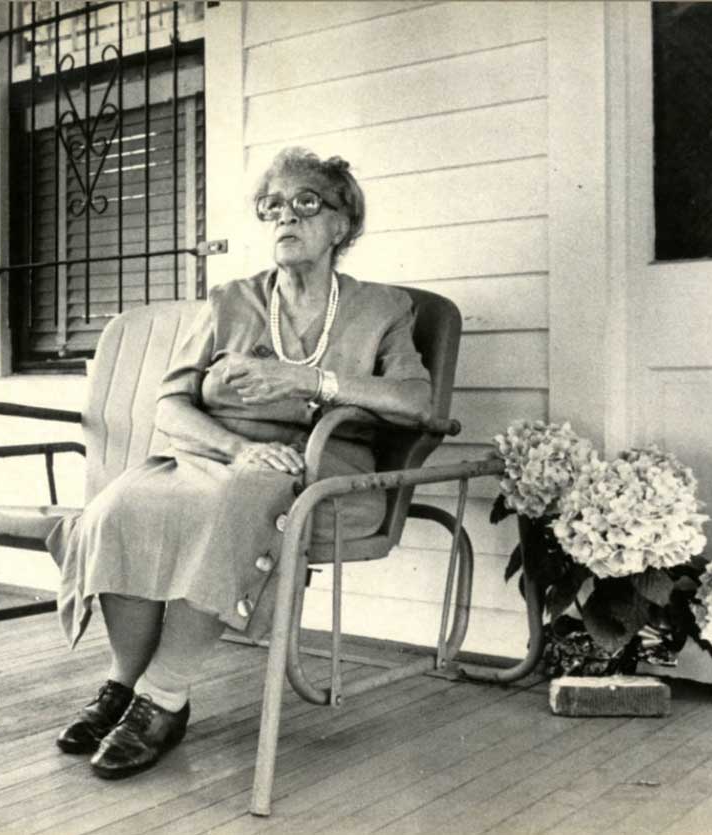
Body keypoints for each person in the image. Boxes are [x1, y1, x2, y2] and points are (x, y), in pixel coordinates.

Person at [46, 147, 432, 779]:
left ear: (342, 224)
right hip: (218, 453)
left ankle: (164, 697)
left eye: (306, 202)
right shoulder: (230, 300)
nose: (286, 216)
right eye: (272, 205)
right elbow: (171, 404)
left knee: (244, 497)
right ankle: (124, 683)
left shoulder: (382, 308)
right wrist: (235, 448)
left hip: (321, 463)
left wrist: (310, 382)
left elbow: (417, 402)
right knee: (119, 506)